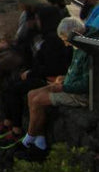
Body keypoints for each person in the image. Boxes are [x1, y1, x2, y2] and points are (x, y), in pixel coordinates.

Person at [0, 5, 74, 145]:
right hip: (45, 76)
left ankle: (16, 129)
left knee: (13, 90)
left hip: (49, 79)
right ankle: (13, 126)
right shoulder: (49, 36)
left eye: (38, 18)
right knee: (12, 86)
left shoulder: (53, 40)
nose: (36, 21)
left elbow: (51, 67)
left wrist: (31, 73)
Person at [13, 17, 90, 162]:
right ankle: (39, 142)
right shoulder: (80, 46)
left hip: (79, 95)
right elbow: (76, 73)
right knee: (32, 95)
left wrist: (64, 86)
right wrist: (64, 79)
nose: (65, 43)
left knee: (38, 100)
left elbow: (86, 83)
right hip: (69, 86)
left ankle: (27, 141)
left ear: (75, 34)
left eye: (65, 39)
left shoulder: (88, 50)